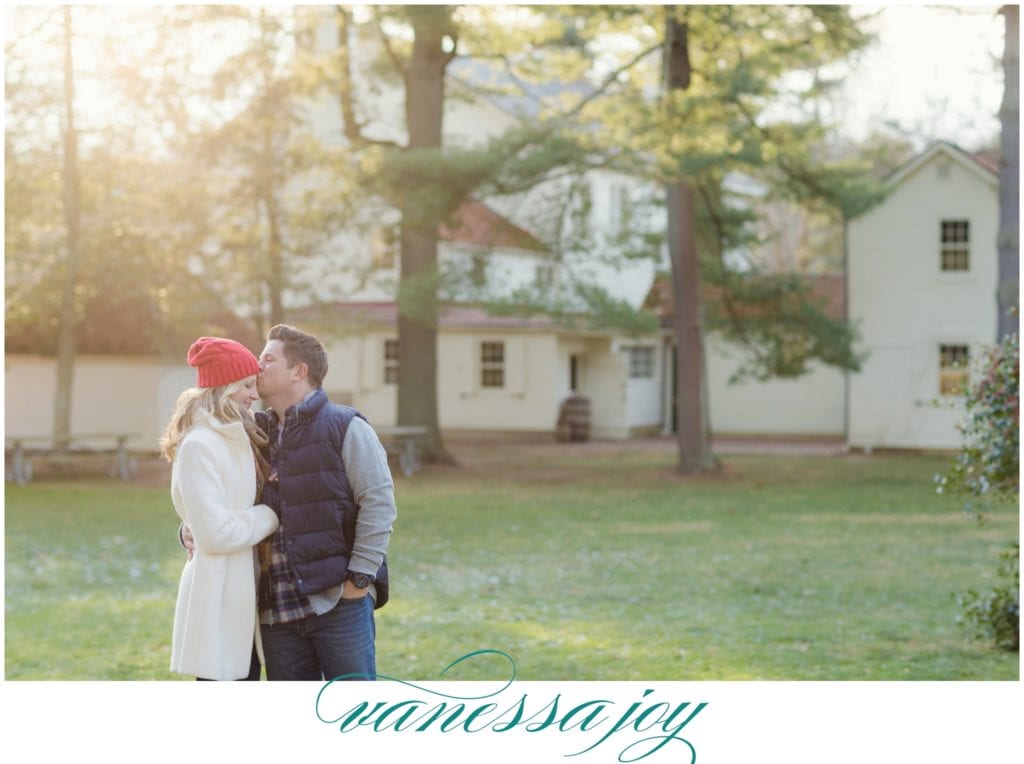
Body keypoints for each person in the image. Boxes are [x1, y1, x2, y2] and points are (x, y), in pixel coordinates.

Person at [253, 323, 396, 681]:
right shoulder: (254, 435)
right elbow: (220, 498)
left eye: (268, 359)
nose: (256, 367)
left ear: (299, 371)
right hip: (276, 613)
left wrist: (358, 583)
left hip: (337, 603)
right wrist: (190, 529)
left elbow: (378, 503)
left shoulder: (345, 425)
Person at [161, 337, 280, 681]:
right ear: (224, 387)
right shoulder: (201, 444)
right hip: (218, 592)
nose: (253, 394)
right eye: (245, 385)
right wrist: (271, 515)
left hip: (244, 589)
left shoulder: (238, 434)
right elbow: (214, 535)